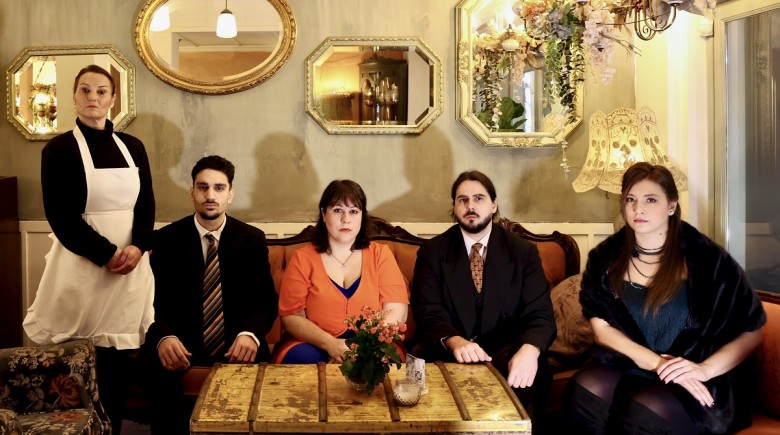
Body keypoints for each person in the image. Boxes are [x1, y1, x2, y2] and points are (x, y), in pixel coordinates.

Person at [563, 162, 766, 434]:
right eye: (631, 200)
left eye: (651, 200)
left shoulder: (709, 260)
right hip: (633, 363)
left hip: (692, 371)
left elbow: (752, 331)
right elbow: (602, 330)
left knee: (642, 412)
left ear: (671, 206)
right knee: (584, 392)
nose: (638, 209)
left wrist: (704, 370)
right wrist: (657, 363)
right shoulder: (604, 257)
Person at [23, 64, 155, 434]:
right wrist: (107, 254)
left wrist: (138, 246)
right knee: (78, 356)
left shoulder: (133, 147)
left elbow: (146, 204)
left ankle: (112, 427)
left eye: (101, 91)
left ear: (113, 99)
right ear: (74, 97)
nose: (92, 97)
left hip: (130, 265)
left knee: (118, 358)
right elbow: (60, 216)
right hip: (83, 263)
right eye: (85, 90)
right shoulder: (58, 149)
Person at [144, 155, 277, 434]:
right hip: (179, 344)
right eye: (202, 187)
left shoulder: (252, 239)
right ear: (192, 192)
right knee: (158, 375)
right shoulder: (166, 239)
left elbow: (265, 301)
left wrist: (250, 335)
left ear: (230, 194)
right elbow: (150, 301)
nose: (210, 195)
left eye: (219, 188)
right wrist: (164, 337)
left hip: (236, 344)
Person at [409, 170, 556, 423]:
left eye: (479, 198)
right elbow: (427, 311)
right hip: (449, 348)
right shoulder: (432, 252)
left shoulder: (523, 253)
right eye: (462, 200)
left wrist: (529, 351)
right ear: (454, 207)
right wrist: (455, 341)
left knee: (535, 369)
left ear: (493, 204)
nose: (471, 206)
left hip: (505, 349)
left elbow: (540, 314)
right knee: (418, 363)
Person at [273, 179, 408, 364]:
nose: (346, 219)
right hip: (314, 343)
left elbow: (396, 311)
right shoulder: (302, 258)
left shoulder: (380, 255)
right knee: (302, 357)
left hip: (372, 343)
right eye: (337, 210)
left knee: (381, 360)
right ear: (323, 213)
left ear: (362, 216)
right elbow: (291, 317)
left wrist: (364, 347)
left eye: (353, 211)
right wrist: (330, 344)